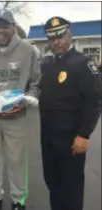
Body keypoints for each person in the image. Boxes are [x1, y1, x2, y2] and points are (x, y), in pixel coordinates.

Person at [0, 10, 41, 210]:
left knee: (17, 159)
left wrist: (25, 102)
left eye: (6, 26)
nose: (1, 30)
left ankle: (18, 201)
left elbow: (36, 84)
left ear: (13, 27)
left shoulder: (27, 51)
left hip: (16, 116)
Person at [39, 16, 101, 210]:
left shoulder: (83, 64)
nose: (56, 41)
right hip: (48, 137)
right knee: (53, 183)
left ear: (70, 36)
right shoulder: (47, 65)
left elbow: (94, 101)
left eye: (60, 36)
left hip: (71, 138)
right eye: (52, 38)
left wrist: (83, 134)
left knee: (71, 187)